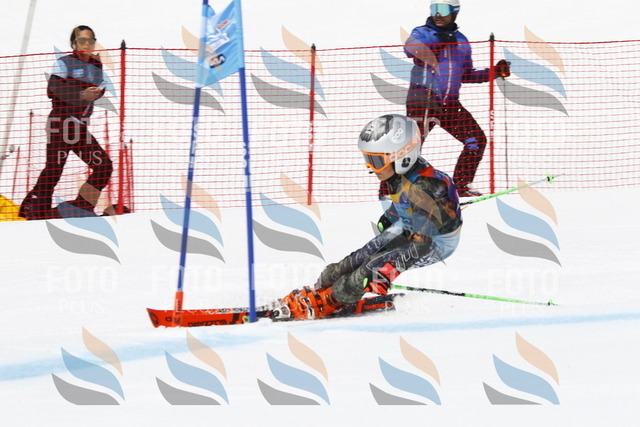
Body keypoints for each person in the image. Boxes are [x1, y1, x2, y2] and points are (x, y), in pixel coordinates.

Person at [278, 114, 463, 320]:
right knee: (353, 261)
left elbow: (422, 245)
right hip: (410, 226)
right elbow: (403, 199)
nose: (370, 167)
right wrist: (390, 216)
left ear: (402, 155)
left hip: (435, 243)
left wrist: (389, 270)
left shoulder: (424, 188)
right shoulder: (398, 174)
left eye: (375, 161)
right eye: (368, 159)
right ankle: (321, 289)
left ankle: (333, 300)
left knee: (368, 270)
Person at [404, 0, 510, 197]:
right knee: (410, 148)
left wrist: (494, 72)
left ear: (454, 12)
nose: (438, 14)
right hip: (423, 100)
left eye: (443, 9)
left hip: (450, 105)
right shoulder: (422, 32)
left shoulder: (461, 42)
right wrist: (439, 40)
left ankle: (461, 186)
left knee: (476, 140)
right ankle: (391, 191)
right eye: (434, 9)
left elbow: (467, 74)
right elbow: (411, 49)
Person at [19, 25, 112, 219]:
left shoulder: (97, 65)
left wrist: (96, 93)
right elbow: (52, 89)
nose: (87, 44)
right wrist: (81, 94)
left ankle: (82, 206)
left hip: (79, 128)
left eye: (91, 40)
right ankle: (35, 210)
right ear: (74, 43)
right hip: (60, 123)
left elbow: (100, 87)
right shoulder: (64, 63)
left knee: (104, 166)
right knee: (54, 169)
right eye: (82, 40)